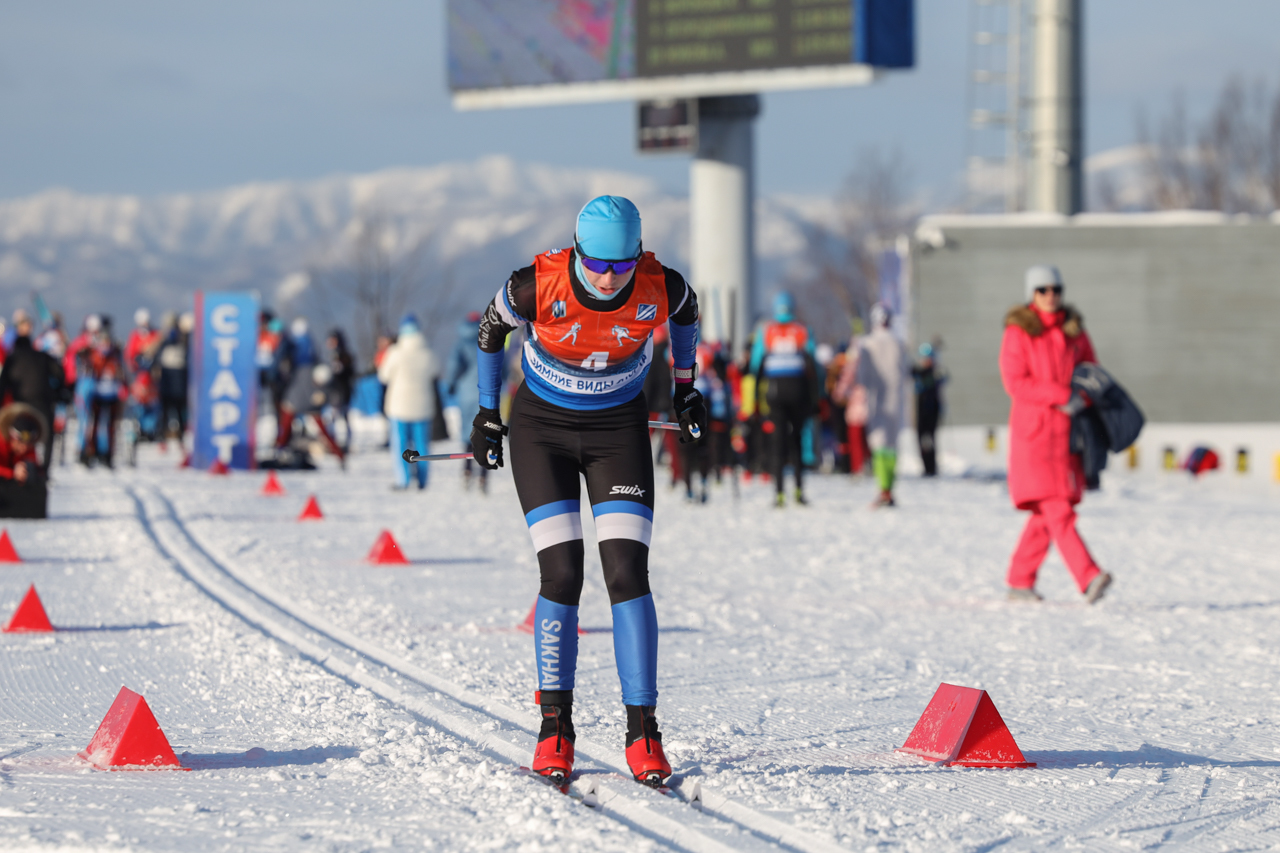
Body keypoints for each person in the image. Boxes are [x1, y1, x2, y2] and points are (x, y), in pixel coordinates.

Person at [469, 195, 705, 787]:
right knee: (563, 574)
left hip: (617, 433)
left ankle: (644, 731)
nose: (606, 277)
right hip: (541, 432)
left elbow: (688, 316)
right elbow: (489, 330)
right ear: (576, 253)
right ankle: (555, 728)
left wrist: (685, 389)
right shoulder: (535, 286)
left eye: (620, 267)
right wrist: (485, 413)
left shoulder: (660, 285)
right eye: (596, 264)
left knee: (627, 572)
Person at [1000, 265, 1112, 604]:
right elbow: (1015, 382)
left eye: (1056, 290)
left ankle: (1019, 581)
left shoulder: (1074, 330)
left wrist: (1085, 397)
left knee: (1047, 514)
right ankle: (1089, 577)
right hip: (1033, 436)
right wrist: (1062, 395)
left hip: (1068, 437)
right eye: (1043, 290)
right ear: (1031, 295)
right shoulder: (1019, 332)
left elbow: (1092, 370)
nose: (1051, 296)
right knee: (1057, 508)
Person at [742, 292, 817, 507]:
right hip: (798, 391)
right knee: (797, 442)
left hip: (774, 393)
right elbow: (814, 367)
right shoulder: (802, 330)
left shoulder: (766, 331)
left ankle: (778, 493)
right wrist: (815, 399)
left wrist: (755, 399)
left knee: (777, 443)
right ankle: (799, 491)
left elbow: (756, 367)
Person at [377, 315, 438, 490]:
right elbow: (436, 372)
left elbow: (383, 376)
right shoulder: (428, 352)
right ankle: (423, 479)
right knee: (422, 444)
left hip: (399, 406)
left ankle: (403, 480)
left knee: (400, 444)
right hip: (423, 406)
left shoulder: (394, 352)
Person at [857, 303, 908, 507]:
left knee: (879, 444)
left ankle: (883, 488)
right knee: (892, 444)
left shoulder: (867, 343)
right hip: (896, 397)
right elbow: (905, 372)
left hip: (876, 397)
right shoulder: (899, 343)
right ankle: (889, 488)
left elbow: (862, 375)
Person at [0, 312, 65, 474]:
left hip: (21, 404)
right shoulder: (42, 356)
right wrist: (58, 392)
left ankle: (22, 469)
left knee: (22, 440)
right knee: (48, 437)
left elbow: (3, 384)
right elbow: (60, 373)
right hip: (44, 401)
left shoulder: (12, 359)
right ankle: (44, 471)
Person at [446, 312, 489, 492]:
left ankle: (467, 471)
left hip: (467, 394)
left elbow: (454, 367)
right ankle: (484, 477)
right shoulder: (490, 342)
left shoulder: (461, 344)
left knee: (468, 433)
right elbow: (501, 367)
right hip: (488, 394)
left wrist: (451, 384)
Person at [0, 404, 47, 518]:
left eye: (27, 444)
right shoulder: (1, 442)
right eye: (20, 443)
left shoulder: (29, 450)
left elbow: (35, 470)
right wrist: (13, 473)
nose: (24, 448)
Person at [912, 342, 947, 477]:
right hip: (921, 411)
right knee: (921, 438)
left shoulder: (934, 373)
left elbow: (942, 377)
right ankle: (926, 467)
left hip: (932, 411)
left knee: (930, 439)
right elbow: (914, 372)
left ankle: (931, 467)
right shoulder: (920, 372)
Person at [324, 329, 356, 452]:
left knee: (339, 417)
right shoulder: (333, 356)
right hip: (336, 392)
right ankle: (335, 442)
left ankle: (342, 443)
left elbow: (347, 373)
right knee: (336, 417)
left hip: (341, 392)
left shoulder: (343, 356)